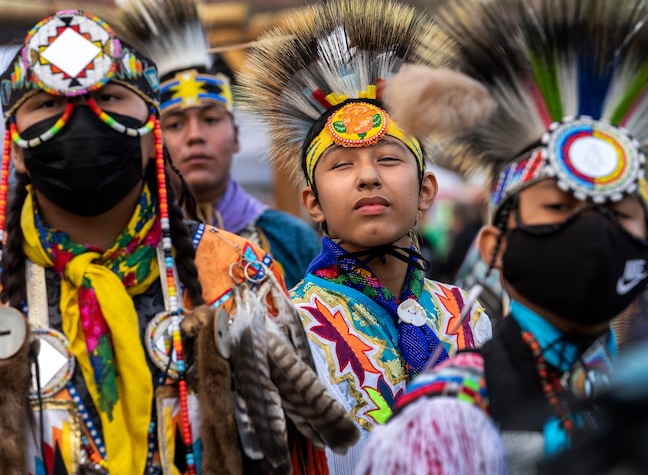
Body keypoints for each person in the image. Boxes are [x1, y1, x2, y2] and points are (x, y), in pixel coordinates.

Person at [0, 10, 357, 474]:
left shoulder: (236, 275)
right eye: (48, 105)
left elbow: (297, 459)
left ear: (151, 137)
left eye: (109, 97)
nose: (82, 118)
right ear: (17, 148)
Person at [356, 0, 648, 473]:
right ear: (494, 247)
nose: (594, 232)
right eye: (559, 208)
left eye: (617, 214)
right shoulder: (446, 418)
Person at [235, 1, 493, 473]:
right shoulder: (289, 328)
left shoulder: (468, 316)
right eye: (341, 165)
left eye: (389, 159)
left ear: (426, 192)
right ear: (312, 203)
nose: (368, 177)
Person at [118, 0, 321, 289]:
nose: (195, 135)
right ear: (153, 143)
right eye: (175, 124)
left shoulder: (289, 239)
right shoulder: (131, 243)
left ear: (236, 136)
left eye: (211, 120)